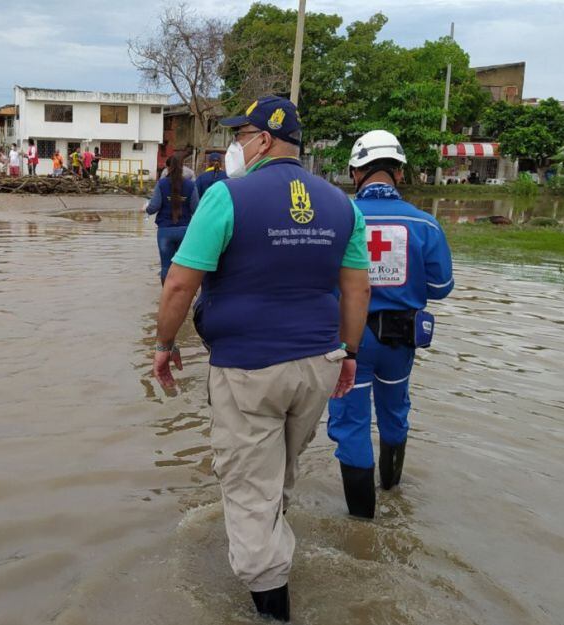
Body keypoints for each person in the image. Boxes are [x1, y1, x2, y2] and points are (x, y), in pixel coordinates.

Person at [150, 95, 371, 621]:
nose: (237, 145)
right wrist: (350, 354)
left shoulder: (228, 197)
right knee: (280, 471)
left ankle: (273, 607)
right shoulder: (344, 205)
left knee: (248, 488)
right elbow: (357, 290)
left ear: (264, 139)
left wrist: (163, 345)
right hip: (318, 364)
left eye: (242, 135)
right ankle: (272, 543)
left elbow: (181, 282)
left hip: (249, 370)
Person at [326, 130, 454, 519]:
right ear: (399, 173)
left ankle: (362, 525)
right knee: (395, 411)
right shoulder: (426, 225)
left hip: (349, 339)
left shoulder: (339, 217)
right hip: (401, 340)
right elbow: (441, 287)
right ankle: (392, 489)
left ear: (355, 171)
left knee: (351, 421)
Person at [144, 155, 199, 284]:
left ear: (167, 168)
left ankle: (166, 297)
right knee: (184, 266)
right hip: (185, 231)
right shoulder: (191, 185)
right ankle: (184, 295)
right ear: (182, 168)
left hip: (165, 232)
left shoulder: (161, 184)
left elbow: (154, 207)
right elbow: (197, 209)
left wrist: (146, 208)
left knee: (165, 266)